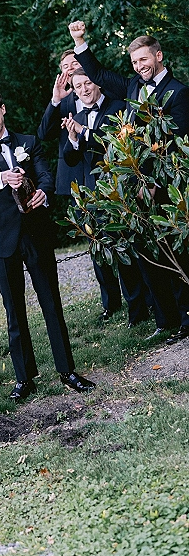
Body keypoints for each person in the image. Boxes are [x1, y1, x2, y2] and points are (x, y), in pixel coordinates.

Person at [0, 87, 95, 402]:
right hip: (0, 239)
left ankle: (68, 371)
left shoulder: (29, 142)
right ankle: (24, 378)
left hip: (35, 232)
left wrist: (43, 193)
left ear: (3, 109)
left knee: (52, 302)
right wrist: (2, 178)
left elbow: (47, 175)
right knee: (14, 310)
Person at [68, 21, 189, 344]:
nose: (139, 67)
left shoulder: (178, 93)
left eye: (144, 60)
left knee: (173, 253)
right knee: (148, 256)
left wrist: (150, 179)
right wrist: (79, 42)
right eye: (135, 62)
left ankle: (186, 316)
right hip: (135, 190)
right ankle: (165, 320)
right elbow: (100, 75)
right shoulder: (133, 88)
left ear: (158, 56)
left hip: (165, 188)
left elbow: (175, 141)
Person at [62, 68, 151, 325]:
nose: (84, 90)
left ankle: (151, 303)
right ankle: (136, 311)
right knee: (118, 253)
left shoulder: (116, 108)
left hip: (123, 190)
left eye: (87, 83)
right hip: (97, 195)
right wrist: (73, 138)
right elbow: (70, 158)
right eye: (78, 87)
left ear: (97, 84)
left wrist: (85, 132)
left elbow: (110, 143)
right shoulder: (77, 116)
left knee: (136, 249)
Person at [37, 49, 85, 196]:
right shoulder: (61, 102)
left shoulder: (100, 93)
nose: (70, 68)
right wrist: (55, 100)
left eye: (75, 63)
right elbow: (44, 134)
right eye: (65, 66)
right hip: (73, 177)